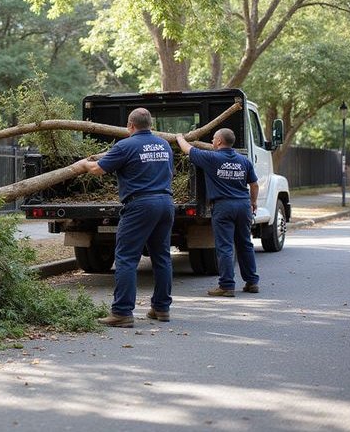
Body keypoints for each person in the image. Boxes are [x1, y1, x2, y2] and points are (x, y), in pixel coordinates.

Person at [78, 108, 175, 327]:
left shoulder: (125, 145)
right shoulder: (164, 145)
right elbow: (169, 173)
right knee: (161, 257)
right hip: (166, 203)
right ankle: (161, 308)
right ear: (150, 124)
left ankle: (122, 312)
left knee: (126, 258)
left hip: (140, 205)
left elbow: (97, 170)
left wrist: (84, 164)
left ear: (130, 126)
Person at [175, 128, 260, 296]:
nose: (212, 141)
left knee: (225, 246)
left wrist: (179, 136)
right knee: (245, 244)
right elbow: (254, 184)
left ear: (220, 141)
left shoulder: (211, 158)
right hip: (243, 206)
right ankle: (252, 282)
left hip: (223, 206)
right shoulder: (244, 161)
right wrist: (253, 202)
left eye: (214, 139)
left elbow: (187, 149)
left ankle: (227, 286)